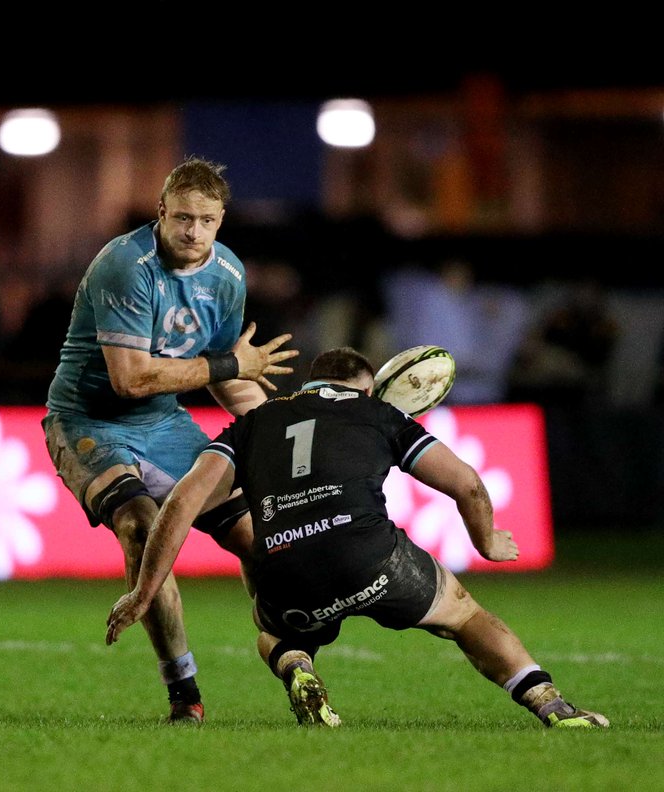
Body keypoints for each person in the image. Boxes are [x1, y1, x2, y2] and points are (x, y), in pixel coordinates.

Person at [106, 346, 609, 730]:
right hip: (370, 559)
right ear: (367, 388)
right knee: (463, 616)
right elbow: (466, 484)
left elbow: (182, 503)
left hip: (284, 568)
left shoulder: (252, 424)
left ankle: (299, 667)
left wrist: (144, 591)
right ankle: (551, 704)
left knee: (274, 634)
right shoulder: (379, 414)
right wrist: (487, 540)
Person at [42, 156, 299, 723]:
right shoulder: (124, 265)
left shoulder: (227, 276)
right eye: (181, 217)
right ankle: (185, 694)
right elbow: (130, 379)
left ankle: (291, 654)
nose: (192, 231)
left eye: (205, 220)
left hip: (163, 424)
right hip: (87, 421)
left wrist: (274, 440)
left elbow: (232, 378)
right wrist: (232, 362)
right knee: (139, 523)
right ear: (161, 213)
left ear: (221, 221)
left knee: (260, 534)